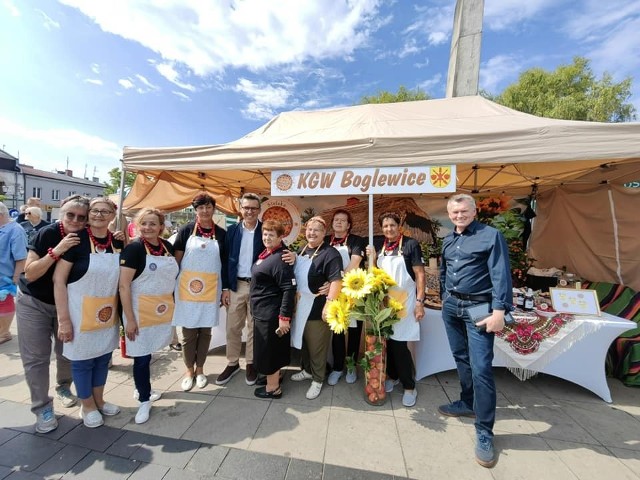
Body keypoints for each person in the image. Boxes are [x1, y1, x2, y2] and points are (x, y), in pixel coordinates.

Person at [439, 193, 513, 468]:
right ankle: (467, 402)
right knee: (461, 359)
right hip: (452, 306)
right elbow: (445, 270)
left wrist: (499, 311)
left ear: (474, 211)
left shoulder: (490, 235)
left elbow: (500, 274)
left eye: (464, 211)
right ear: (450, 214)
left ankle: (484, 431)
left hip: (480, 308)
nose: (459, 216)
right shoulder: (448, 239)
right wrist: (446, 297)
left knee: (481, 368)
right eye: (455, 212)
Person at [16, 195, 89, 433]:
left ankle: (63, 386)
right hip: (33, 302)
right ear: (61, 213)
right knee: (36, 358)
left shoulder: (87, 237)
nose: (75, 221)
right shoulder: (47, 233)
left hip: (67, 304)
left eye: (81, 217)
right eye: (70, 215)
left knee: (67, 351)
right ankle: (42, 407)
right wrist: (57, 251)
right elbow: (31, 272)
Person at [53, 197, 123, 428]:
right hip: (78, 312)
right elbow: (59, 280)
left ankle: (100, 400)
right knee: (83, 361)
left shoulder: (117, 242)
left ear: (113, 216)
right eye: (94, 211)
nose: (99, 215)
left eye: (105, 211)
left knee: (103, 358)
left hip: (105, 312)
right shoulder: (75, 241)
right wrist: (64, 320)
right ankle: (87, 405)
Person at [119, 208, 178, 424]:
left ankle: (141, 388)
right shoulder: (133, 249)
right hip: (138, 312)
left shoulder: (167, 247)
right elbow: (124, 286)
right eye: (144, 223)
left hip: (160, 311)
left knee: (149, 354)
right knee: (141, 357)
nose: (148, 228)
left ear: (161, 226)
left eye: (153, 224)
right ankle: (144, 400)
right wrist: (130, 320)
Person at [172, 193, 226, 391]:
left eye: (208, 207)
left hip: (211, 289)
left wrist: (225, 290)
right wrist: (171, 286)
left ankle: (201, 369)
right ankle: (188, 370)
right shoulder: (186, 230)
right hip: (187, 289)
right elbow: (176, 260)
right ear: (195, 210)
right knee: (187, 334)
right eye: (200, 207)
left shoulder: (221, 234)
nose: (204, 211)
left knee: (205, 332)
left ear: (214, 209)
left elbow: (225, 264)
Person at [370, 212, 425, 408]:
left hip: (406, 303)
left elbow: (419, 274)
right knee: (388, 343)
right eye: (385, 226)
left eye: (392, 225)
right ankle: (393, 377)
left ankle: (409, 386)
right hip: (385, 303)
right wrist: (373, 257)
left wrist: (420, 301)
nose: (389, 229)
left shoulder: (411, 245)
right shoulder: (380, 246)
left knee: (400, 345)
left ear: (398, 225)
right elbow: (375, 271)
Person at [290, 216, 342, 400]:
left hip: (317, 305)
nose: (312, 233)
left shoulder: (330, 254)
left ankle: (318, 379)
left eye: (316, 230)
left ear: (324, 233)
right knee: (302, 341)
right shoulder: (301, 249)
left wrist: (328, 303)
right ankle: (307, 370)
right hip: (299, 304)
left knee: (317, 346)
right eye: (309, 229)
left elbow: (337, 281)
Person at [219, 193, 263, 386]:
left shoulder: (266, 230)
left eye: (253, 208)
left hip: (257, 287)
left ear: (259, 210)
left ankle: (251, 363)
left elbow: (279, 251)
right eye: (246, 207)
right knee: (233, 326)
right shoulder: (232, 231)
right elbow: (224, 260)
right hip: (236, 285)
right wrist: (226, 288)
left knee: (254, 327)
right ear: (241, 209)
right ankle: (232, 362)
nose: (250, 211)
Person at [250, 220, 296, 399]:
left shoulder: (280, 258)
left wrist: (284, 317)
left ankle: (273, 388)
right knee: (266, 349)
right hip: (262, 312)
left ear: (280, 237)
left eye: (271, 235)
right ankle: (272, 378)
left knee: (270, 351)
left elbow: (288, 288)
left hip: (271, 313)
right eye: (265, 234)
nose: (267, 237)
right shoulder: (266, 254)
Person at [325, 210, 366, 385]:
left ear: (349, 225)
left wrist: (336, 281)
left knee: (355, 332)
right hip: (333, 293)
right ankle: (337, 367)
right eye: (336, 220)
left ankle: (351, 366)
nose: (339, 222)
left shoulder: (357, 240)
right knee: (337, 331)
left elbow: (355, 262)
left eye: (343, 220)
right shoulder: (327, 241)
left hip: (353, 291)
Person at [0, 202, 27, 344]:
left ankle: (4, 333)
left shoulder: (15, 230)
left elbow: (21, 258)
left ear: (1, 215)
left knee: (4, 303)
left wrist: (14, 280)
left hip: (5, 278)